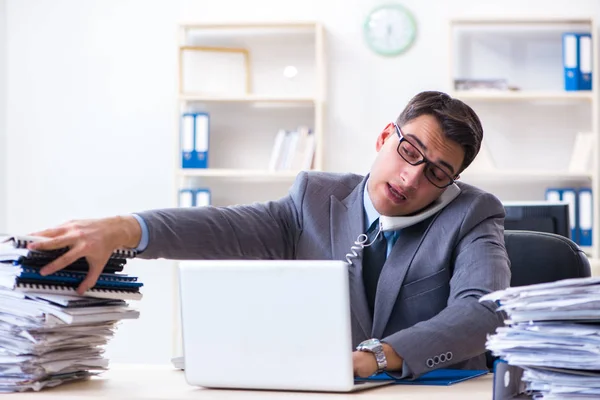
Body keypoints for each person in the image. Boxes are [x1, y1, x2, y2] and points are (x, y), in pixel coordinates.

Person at [28, 90, 510, 380]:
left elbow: (483, 311)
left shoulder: (472, 214)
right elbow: (222, 228)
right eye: (409, 151)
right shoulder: (313, 200)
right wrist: (121, 229)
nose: (411, 179)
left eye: (437, 173)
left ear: (453, 185)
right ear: (385, 137)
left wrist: (375, 358)